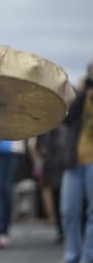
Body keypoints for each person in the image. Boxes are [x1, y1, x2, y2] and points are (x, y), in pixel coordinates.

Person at [60, 62, 93, 263]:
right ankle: (71, 255)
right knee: (69, 210)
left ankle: (88, 256)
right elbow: (68, 118)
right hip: (74, 161)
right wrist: (81, 92)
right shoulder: (80, 94)